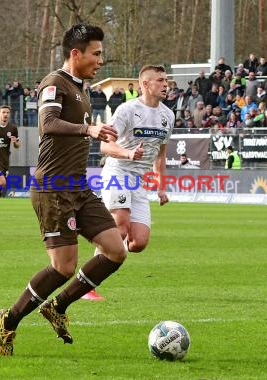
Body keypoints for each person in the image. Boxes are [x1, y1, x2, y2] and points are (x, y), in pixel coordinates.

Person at [0, 23, 125, 357]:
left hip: (77, 186)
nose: (100, 60)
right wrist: (88, 129)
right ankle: (9, 319)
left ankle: (58, 306)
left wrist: (91, 131)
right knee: (64, 266)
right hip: (53, 187)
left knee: (115, 250)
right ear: (75, 53)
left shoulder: (81, 89)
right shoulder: (54, 83)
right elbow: (48, 125)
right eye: (96, 53)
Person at [82, 64, 172, 302]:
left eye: (166, 80)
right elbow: (105, 146)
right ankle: (86, 285)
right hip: (118, 171)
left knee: (138, 242)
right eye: (160, 80)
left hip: (140, 181)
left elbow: (161, 155)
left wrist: (161, 187)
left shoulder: (168, 115)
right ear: (145, 84)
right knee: (119, 228)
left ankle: (106, 245)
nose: (166, 84)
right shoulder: (127, 110)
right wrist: (128, 153)